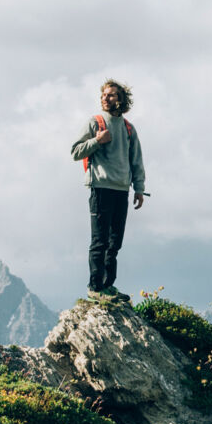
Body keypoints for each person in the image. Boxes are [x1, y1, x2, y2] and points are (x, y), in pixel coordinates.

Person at [71, 79, 147, 301]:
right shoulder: (94, 123)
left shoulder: (128, 128)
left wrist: (139, 189)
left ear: (121, 100)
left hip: (121, 190)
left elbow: (136, 161)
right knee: (100, 240)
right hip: (100, 188)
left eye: (111, 95)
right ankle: (95, 287)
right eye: (104, 95)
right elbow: (75, 152)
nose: (106, 98)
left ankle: (107, 285)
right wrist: (97, 140)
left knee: (115, 242)